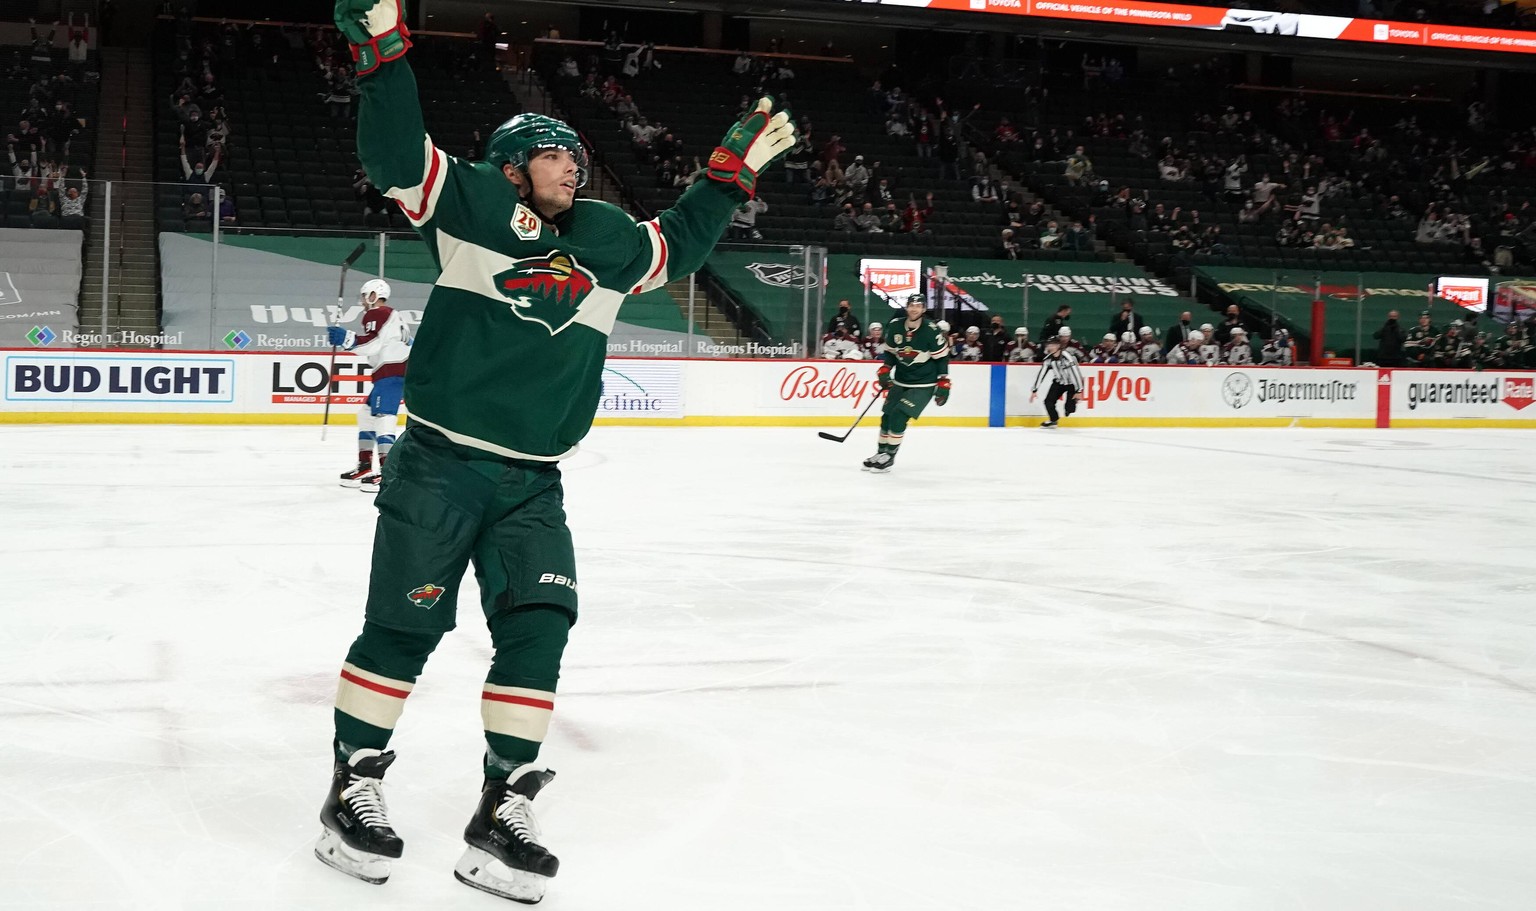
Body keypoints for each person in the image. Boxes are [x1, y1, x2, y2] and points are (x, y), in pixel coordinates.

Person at [318, 0, 795, 901]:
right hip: (440, 464)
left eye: (575, 153)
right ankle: (353, 784)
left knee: (539, 632)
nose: (570, 164)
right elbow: (393, 156)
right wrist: (382, 57)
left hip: (534, 482)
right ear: (511, 167)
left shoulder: (609, 240)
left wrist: (726, 178)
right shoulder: (467, 205)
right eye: (551, 152)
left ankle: (503, 803)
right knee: (404, 627)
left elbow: (678, 245)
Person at [329, 279, 412, 490]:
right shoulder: (395, 316)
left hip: (391, 373)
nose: (363, 300)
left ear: (373, 295)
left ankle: (387, 472)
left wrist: (346, 339)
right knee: (366, 415)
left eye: (365, 295)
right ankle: (365, 465)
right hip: (394, 372)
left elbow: (372, 344)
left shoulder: (377, 313)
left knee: (384, 419)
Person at [863, 294, 950, 473]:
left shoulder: (931, 330)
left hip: (923, 383)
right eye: (911, 305)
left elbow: (942, 358)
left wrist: (943, 382)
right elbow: (891, 353)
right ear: (907, 307)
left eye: (918, 306)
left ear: (924, 309)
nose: (914, 309)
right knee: (886, 416)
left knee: (899, 414)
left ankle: (890, 456)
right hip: (901, 380)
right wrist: (886, 369)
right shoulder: (895, 326)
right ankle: (881, 453)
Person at [1030, 335, 1084, 428]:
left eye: (1053, 345)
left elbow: (1076, 373)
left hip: (1072, 384)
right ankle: (1053, 420)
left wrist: (1079, 390)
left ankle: (1072, 404)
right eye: (1049, 345)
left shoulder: (1067, 357)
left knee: (1069, 409)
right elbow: (1042, 373)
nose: (1051, 347)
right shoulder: (1048, 359)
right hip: (1059, 382)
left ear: (1059, 345)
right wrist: (1035, 390)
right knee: (1048, 402)